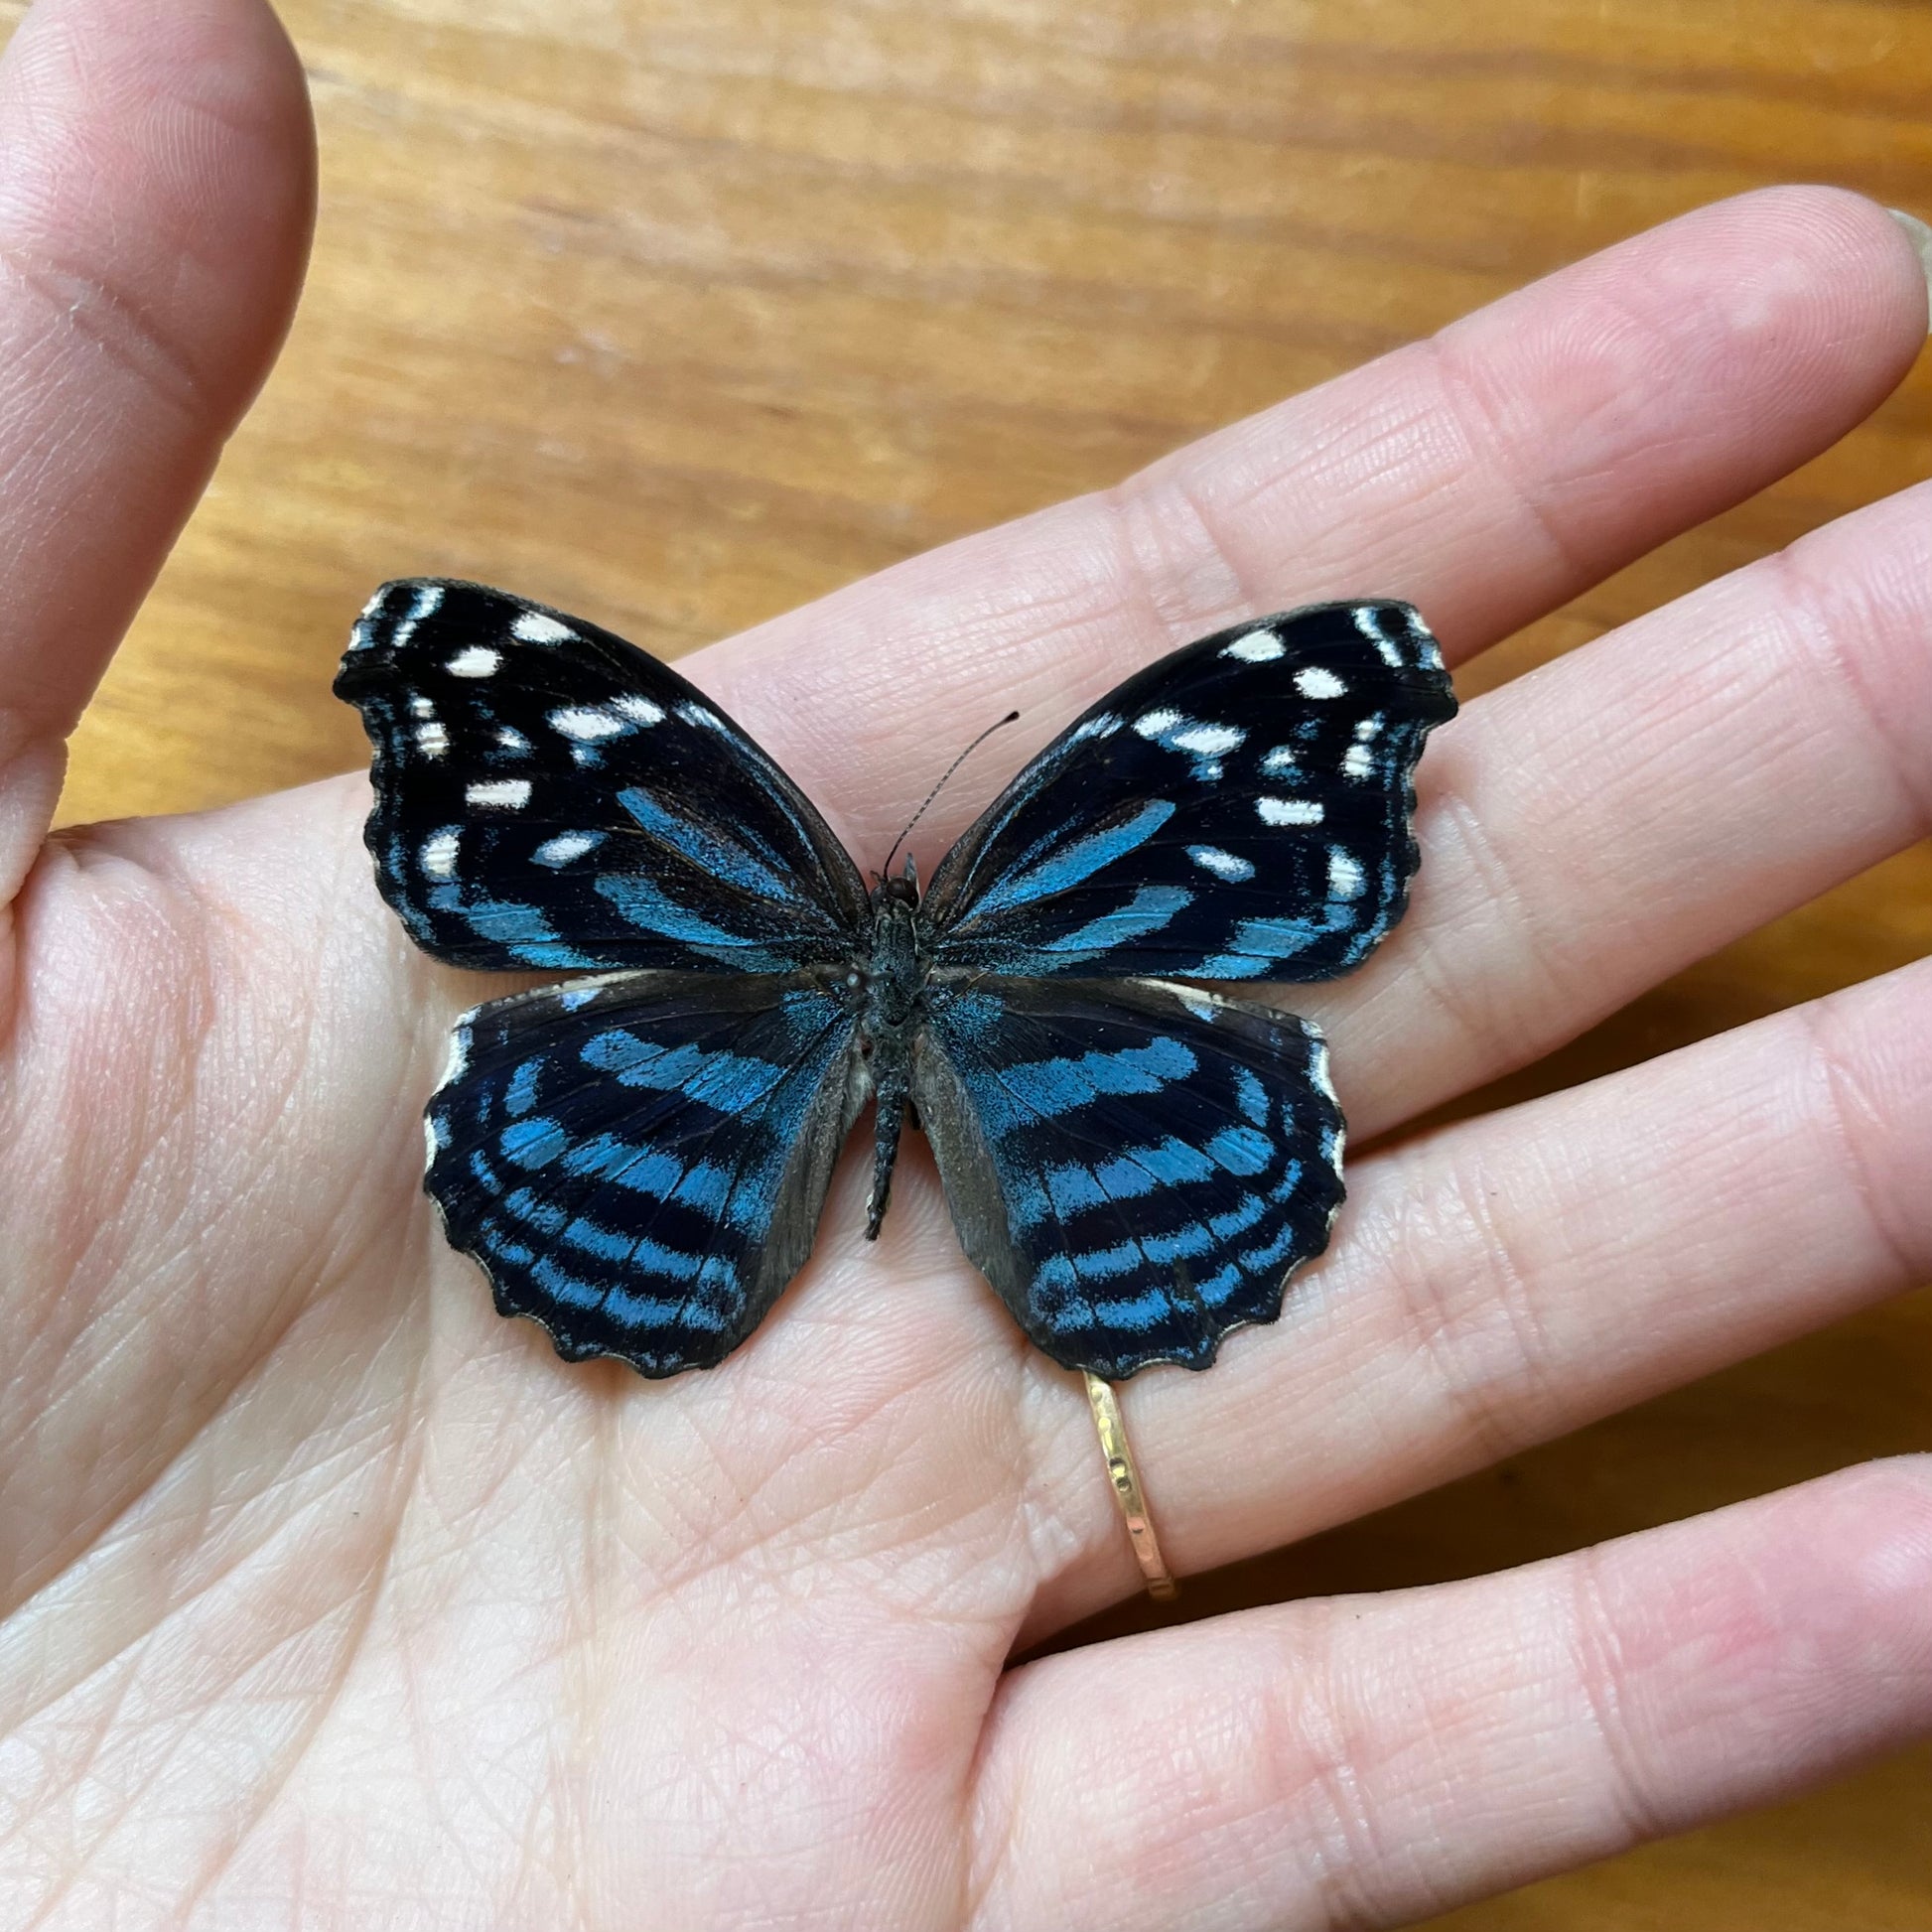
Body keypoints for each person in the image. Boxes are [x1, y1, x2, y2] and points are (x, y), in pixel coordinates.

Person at [2, 0, 1928, 1924]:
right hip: (1049, 1053)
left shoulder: (733, 842)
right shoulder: (1029, 848)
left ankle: (758, 1230)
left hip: (725, 1045)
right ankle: (1041, 1238)